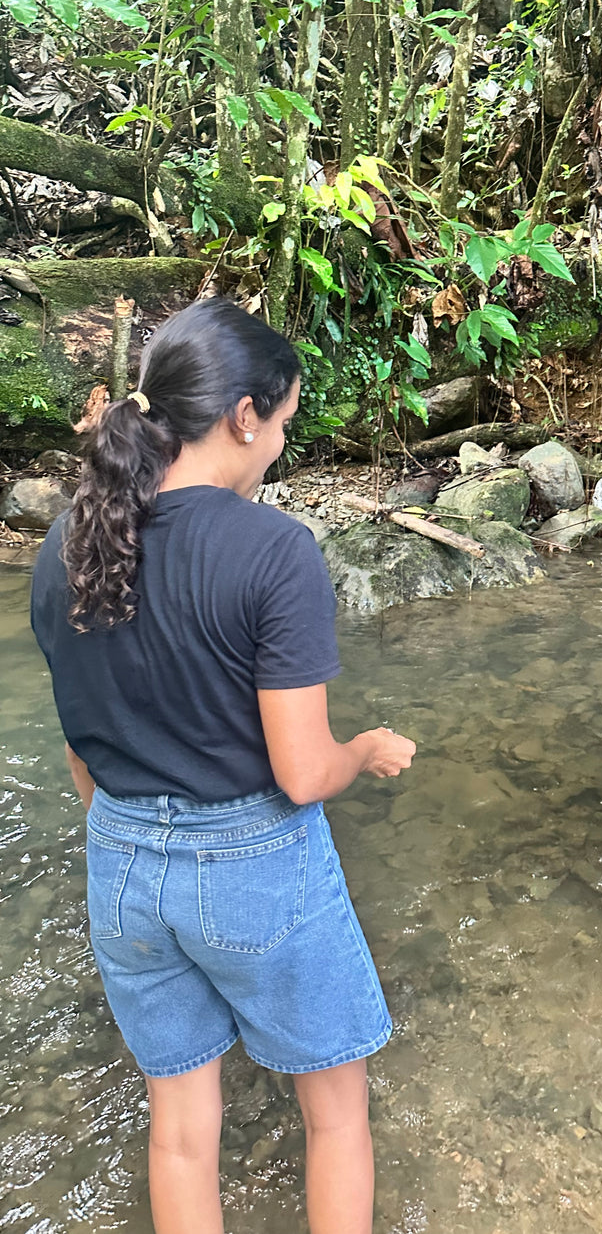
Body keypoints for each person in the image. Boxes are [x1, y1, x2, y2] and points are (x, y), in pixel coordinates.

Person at [30, 299, 416, 1234]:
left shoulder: (66, 544)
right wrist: (362, 751)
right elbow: (298, 772)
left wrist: (135, 830)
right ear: (245, 414)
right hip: (250, 863)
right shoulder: (274, 550)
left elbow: (84, 753)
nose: (279, 445)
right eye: (282, 424)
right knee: (335, 1116)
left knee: (179, 1129)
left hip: (120, 863)